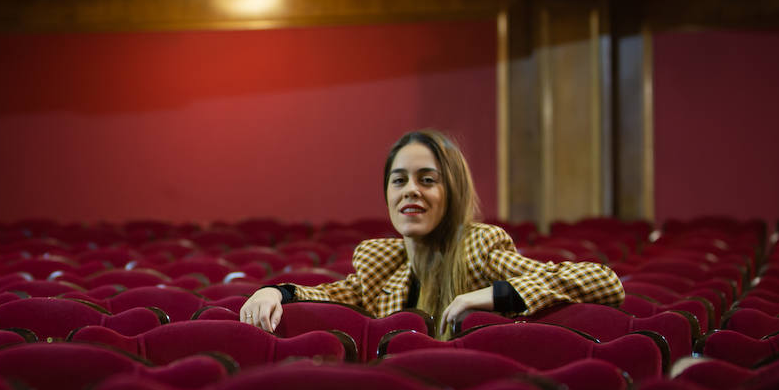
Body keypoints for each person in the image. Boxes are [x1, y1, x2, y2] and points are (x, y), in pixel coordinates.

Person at [239, 129, 624, 338]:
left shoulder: (479, 247)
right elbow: (330, 295)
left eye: (427, 180)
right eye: (399, 180)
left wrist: (493, 295)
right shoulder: (381, 262)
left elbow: (604, 282)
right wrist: (274, 292)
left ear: (452, 191)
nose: (410, 190)